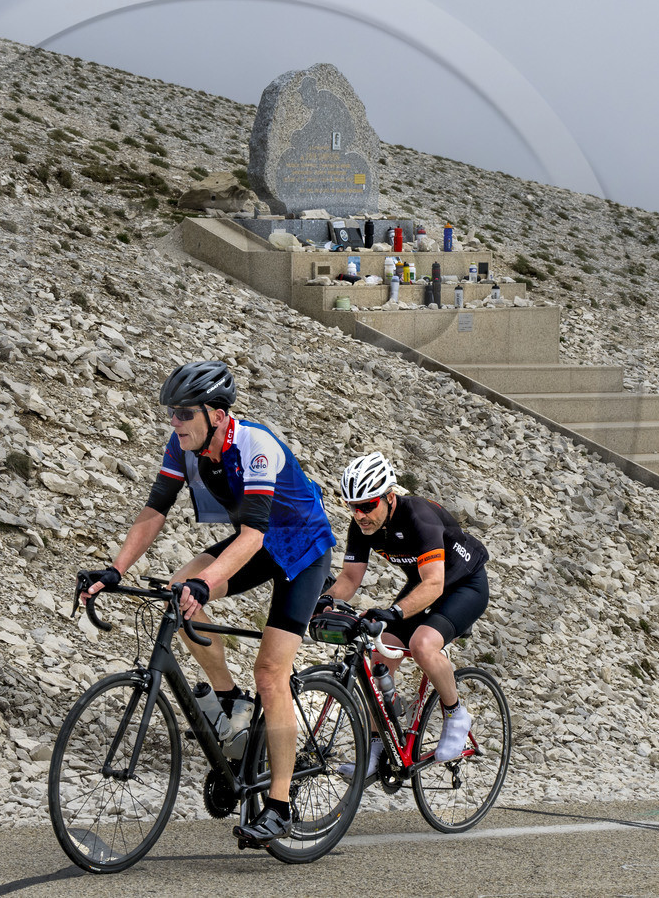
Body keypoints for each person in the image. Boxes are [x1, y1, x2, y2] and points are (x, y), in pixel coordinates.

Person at [80, 360, 337, 846]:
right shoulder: (183, 446)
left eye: (183, 414)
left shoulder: (255, 446)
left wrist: (208, 584)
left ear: (216, 414)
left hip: (300, 551)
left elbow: (256, 534)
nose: (174, 423)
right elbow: (155, 509)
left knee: (271, 672)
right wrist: (116, 570)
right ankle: (228, 699)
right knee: (179, 587)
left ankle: (280, 805)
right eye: (172, 414)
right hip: (253, 542)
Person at [321, 451, 490, 777]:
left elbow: (434, 584)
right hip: (425, 583)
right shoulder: (363, 524)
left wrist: (394, 611)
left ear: (389, 496)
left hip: (464, 584)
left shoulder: (419, 517)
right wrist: (322, 602)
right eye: (352, 507)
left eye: (367, 505)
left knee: (423, 644)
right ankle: (376, 747)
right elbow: (349, 579)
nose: (359, 515)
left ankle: (456, 715)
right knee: (379, 654)